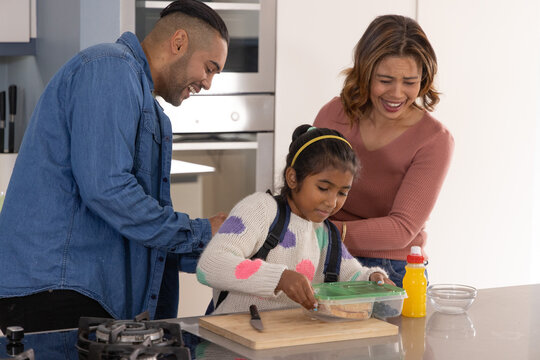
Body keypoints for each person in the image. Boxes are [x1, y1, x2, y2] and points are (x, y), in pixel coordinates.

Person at [0, 0, 229, 333]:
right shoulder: (109, 67)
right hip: (54, 291)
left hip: (75, 294)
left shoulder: (142, 99)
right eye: (209, 68)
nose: (208, 83)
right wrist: (199, 231)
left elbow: (136, 228)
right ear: (179, 42)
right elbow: (108, 189)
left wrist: (219, 250)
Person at [313, 15, 454, 288]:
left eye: (410, 82)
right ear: (365, 73)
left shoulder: (435, 140)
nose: (397, 94)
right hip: (323, 255)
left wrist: (322, 233)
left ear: (424, 80)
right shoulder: (334, 114)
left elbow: (401, 229)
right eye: (385, 80)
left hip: (393, 268)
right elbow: (304, 191)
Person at [196, 125, 394, 315]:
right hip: (235, 340)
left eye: (342, 192)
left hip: (284, 340)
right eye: (323, 188)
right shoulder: (260, 209)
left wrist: (372, 279)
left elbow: (352, 275)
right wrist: (279, 278)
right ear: (292, 177)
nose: (332, 202)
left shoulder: (326, 234)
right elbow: (210, 265)